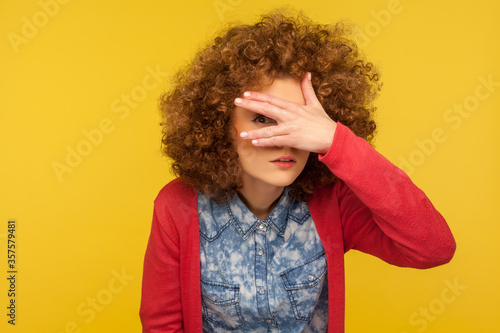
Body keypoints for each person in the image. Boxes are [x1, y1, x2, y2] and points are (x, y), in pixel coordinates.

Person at [139, 8, 456, 333]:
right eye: (263, 118)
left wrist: (337, 141)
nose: (286, 141)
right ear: (222, 127)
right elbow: (162, 325)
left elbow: (433, 248)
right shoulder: (177, 207)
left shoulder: (333, 203)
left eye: (301, 122)